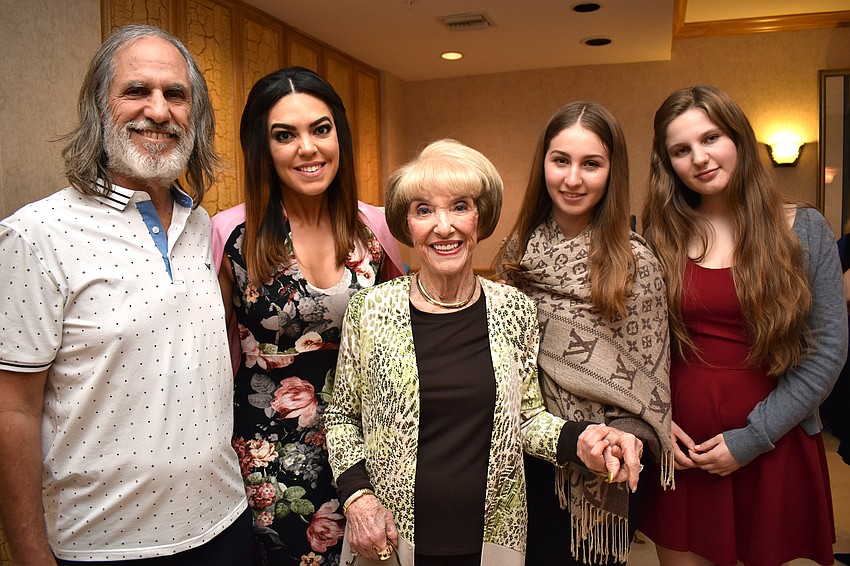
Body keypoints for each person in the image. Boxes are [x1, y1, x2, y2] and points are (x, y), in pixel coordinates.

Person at [325, 139, 644, 566]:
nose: (444, 227)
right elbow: (342, 415)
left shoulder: (513, 309)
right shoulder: (371, 309)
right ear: (407, 224)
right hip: (390, 538)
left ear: (481, 216)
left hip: (493, 538)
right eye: (424, 210)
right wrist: (358, 499)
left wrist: (580, 441)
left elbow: (527, 418)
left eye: (460, 206)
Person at [0, 24, 249, 565]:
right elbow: (13, 409)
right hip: (103, 546)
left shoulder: (198, 224)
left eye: (175, 95)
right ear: (98, 106)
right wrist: (28, 553)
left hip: (226, 524)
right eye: (137, 91)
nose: (158, 111)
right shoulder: (36, 235)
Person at [639, 85, 846, 566]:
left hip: (776, 444)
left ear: (739, 138)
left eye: (711, 138)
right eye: (680, 150)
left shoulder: (804, 228)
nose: (699, 158)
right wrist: (653, 419)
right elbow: (641, 348)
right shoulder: (660, 237)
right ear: (668, 164)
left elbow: (828, 349)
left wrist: (750, 439)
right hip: (685, 450)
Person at [210, 66, 405, 566]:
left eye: (320, 129)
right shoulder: (231, 234)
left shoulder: (376, 228)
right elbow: (207, 360)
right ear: (263, 147)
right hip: (265, 463)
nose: (308, 148)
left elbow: (403, 344)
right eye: (285, 135)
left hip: (367, 455)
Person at [497, 101, 674, 565]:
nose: (573, 179)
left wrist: (627, 437)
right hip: (522, 454)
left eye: (591, 164)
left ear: (612, 171)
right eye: (561, 161)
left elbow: (649, 382)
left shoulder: (637, 264)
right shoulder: (517, 252)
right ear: (544, 165)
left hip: (604, 461)